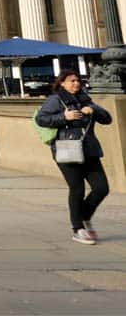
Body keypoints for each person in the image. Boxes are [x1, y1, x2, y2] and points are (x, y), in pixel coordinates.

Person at [35, 71, 113, 245]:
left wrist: (94, 110)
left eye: (78, 81)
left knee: (102, 188)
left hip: (89, 150)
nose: (76, 84)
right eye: (72, 81)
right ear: (62, 83)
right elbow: (41, 119)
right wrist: (64, 117)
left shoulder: (86, 100)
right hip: (67, 150)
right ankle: (78, 228)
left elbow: (108, 119)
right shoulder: (55, 100)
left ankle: (83, 215)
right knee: (77, 189)